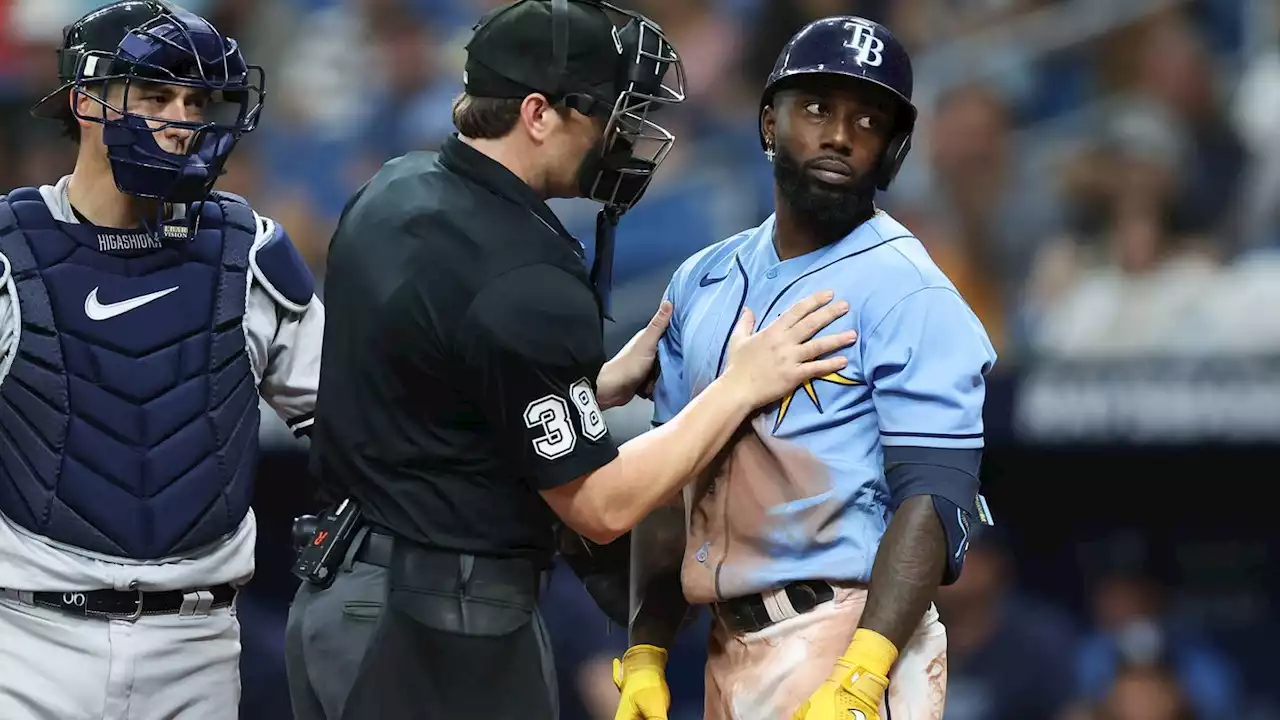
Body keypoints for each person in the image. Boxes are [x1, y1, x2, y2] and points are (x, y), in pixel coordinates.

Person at [285, 1, 860, 719]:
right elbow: (601, 507)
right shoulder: (522, 277)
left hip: (340, 602)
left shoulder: (392, 190)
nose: (624, 137)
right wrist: (740, 386)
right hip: (439, 631)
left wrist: (591, 387)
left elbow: (444, 388)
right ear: (536, 113)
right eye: (607, 115)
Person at [613, 16, 998, 720]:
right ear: (767, 122)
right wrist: (648, 648)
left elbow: (935, 501)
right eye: (816, 107)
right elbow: (675, 482)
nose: (840, 134)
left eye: (868, 119)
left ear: (894, 150)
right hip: (731, 645)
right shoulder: (703, 279)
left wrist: (861, 676)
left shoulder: (911, 292)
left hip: (850, 634)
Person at [0, 2, 323, 719]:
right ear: (87, 100)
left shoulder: (252, 252)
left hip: (198, 646)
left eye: (198, 99)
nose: (182, 116)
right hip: (25, 643)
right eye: (155, 94)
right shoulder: (8, 252)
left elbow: (357, 428)